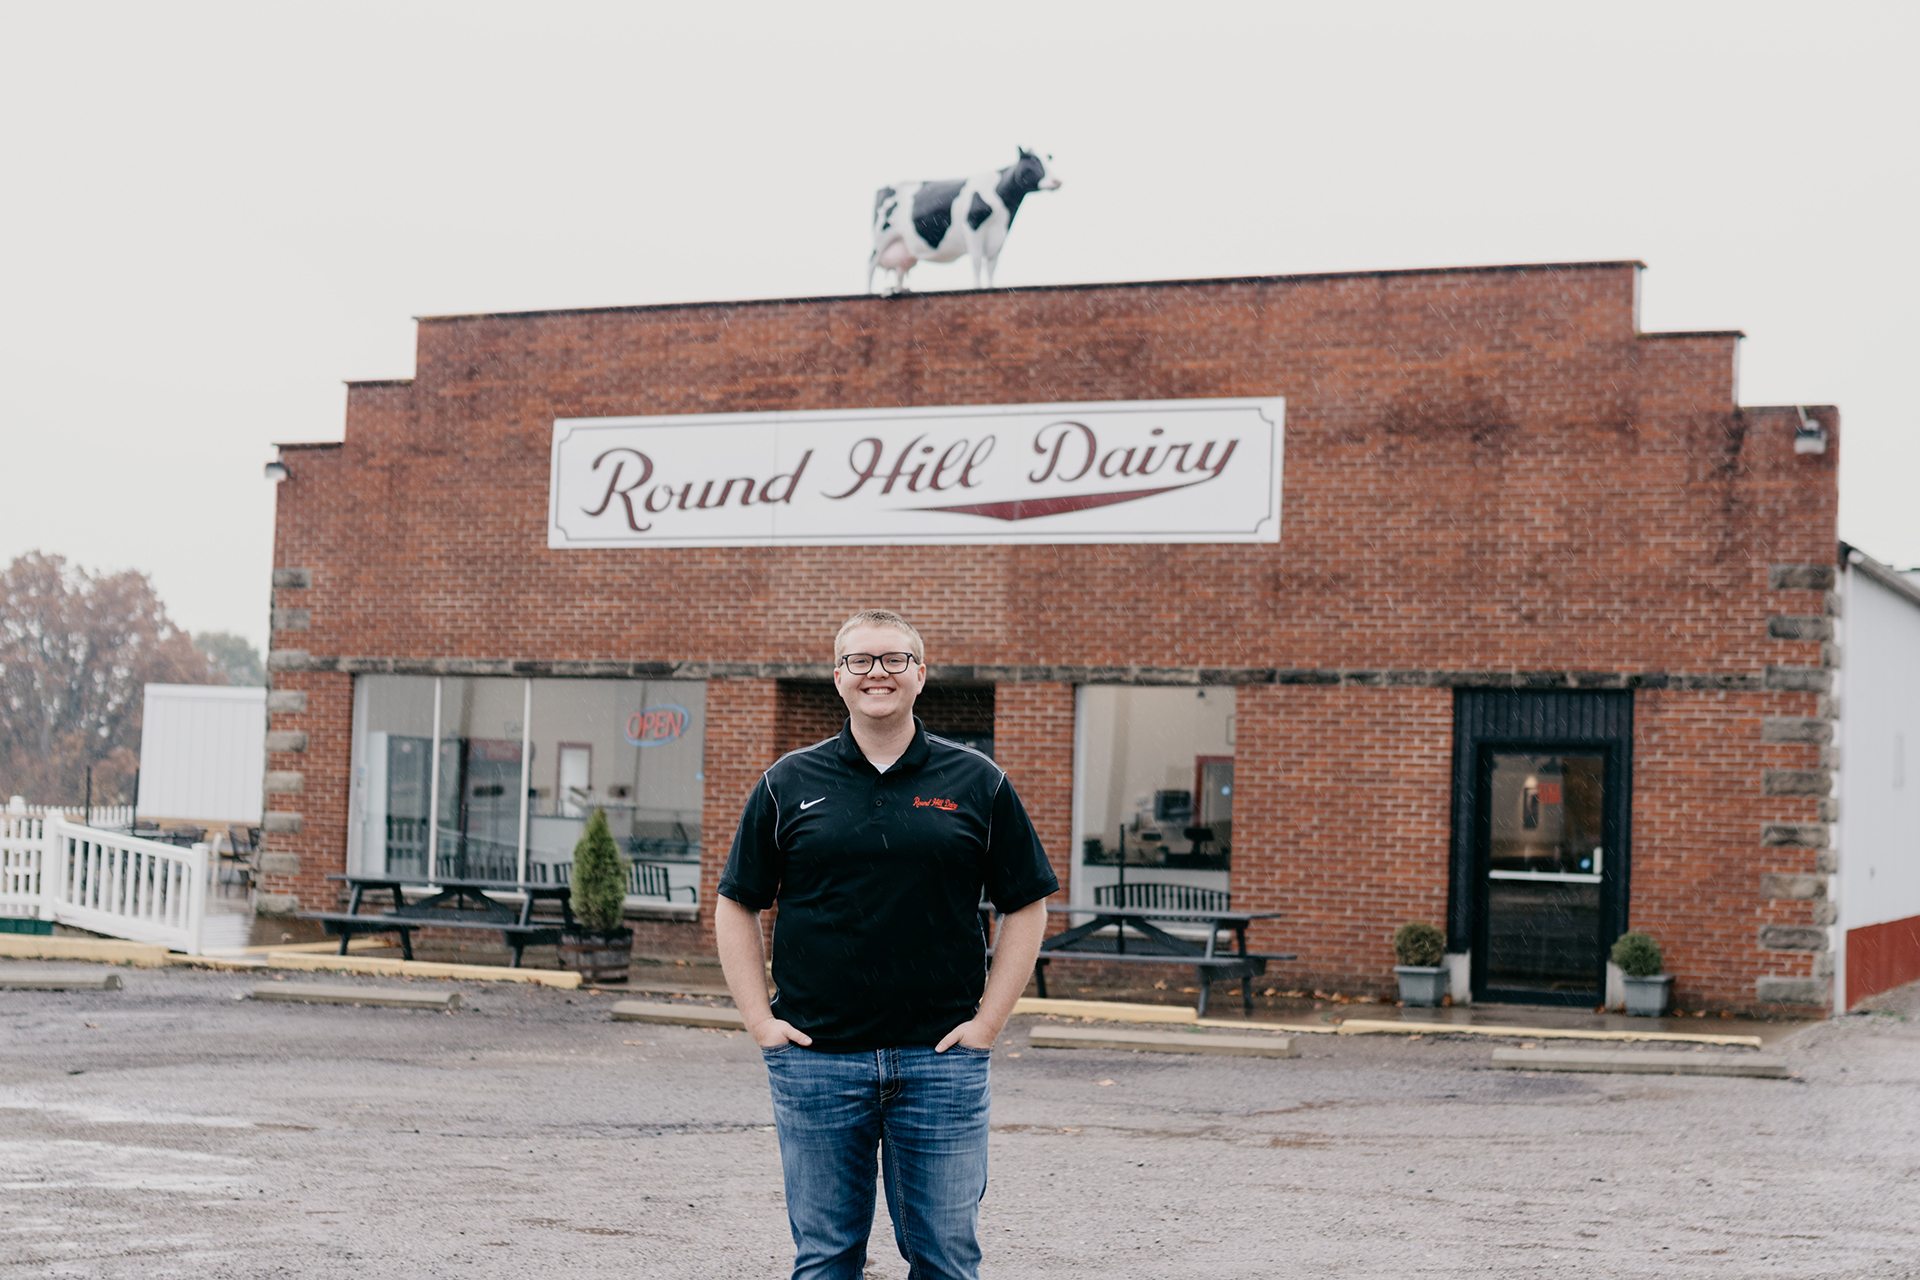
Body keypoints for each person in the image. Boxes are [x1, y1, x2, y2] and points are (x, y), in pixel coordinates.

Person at [715, 608, 1056, 1280]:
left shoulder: (976, 781)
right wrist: (761, 1021)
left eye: (894, 659)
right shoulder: (788, 783)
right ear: (838, 677)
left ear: (920, 675)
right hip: (816, 1060)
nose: (878, 673)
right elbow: (736, 902)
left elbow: (1028, 904)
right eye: (861, 661)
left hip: (941, 1063)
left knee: (947, 1260)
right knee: (825, 1259)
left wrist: (988, 1025)